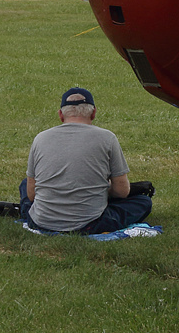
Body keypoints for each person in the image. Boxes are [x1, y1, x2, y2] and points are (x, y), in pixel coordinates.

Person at [20, 87, 153, 234]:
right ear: (94, 113)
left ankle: (22, 210)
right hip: (89, 224)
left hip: (40, 222)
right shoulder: (107, 138)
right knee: (143, 202)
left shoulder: (40, 138)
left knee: (26, 184)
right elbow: (122, 191)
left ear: (60, 115)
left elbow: (31, 194)